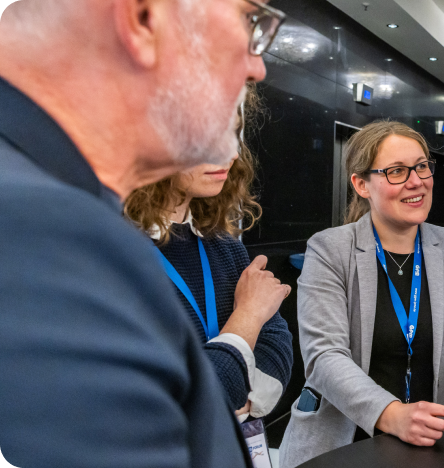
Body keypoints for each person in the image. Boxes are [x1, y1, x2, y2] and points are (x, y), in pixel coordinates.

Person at [0, 0, 284, 466]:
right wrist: (245, 325)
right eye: (249, 19)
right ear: (144, 18)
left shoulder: (71, 215)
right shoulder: (41, 232)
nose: (258, 67)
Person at [278, 121, 444, 467]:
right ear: (361, 184)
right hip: (344, 447)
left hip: (432, 444)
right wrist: (391, 413)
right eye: (396, 171)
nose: (416, 181)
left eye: (422, 166)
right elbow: (325, 355)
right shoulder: (330, 249)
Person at [124, 85, 294, 420]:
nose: (231, 153)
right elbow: (170, 405)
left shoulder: (225, 246)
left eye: (233, 134)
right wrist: (248, 315)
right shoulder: (110, 254)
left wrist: (239, 401)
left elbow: (278, 349)